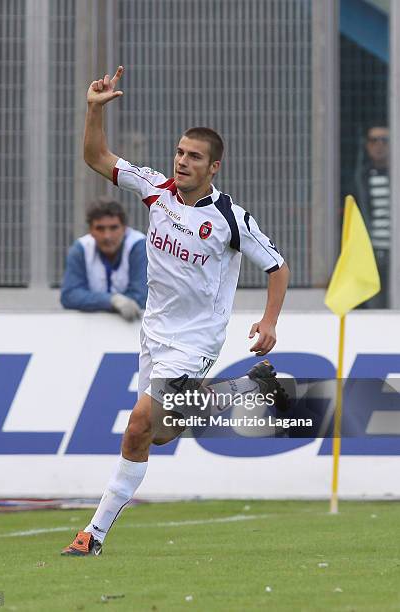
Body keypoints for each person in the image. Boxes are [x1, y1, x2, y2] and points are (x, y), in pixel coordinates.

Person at [61, 66, 290, 556]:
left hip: (194, 342)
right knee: (159, 436)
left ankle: (93, 534)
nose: (182, 162)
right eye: (180, 153)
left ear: (214, 167)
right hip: (154, 334)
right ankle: (247, 390)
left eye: (194, 157)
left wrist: (269, 321)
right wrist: (94, 109)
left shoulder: (231, 218)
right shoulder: (154, 189)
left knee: (139, 424)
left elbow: (277, 266)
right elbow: (95, 156)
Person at [60, 197, 147, 320]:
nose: (107, 236)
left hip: (137, 327)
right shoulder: (81, 249)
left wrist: (94, 301)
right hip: (90, 328)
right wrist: (112, 301)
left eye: (113, 228)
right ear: (90, 230)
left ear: (124, 228)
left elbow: (141, 297)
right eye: (100, 228)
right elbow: (70, 295)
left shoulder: (139, 246)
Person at [353, 126, 390, 308]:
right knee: (375, 305)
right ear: (367, 145)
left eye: (385, 140)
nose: (379, 145)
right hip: (371, 253)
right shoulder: (361, 177)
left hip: (396, 252)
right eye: (374, 140)